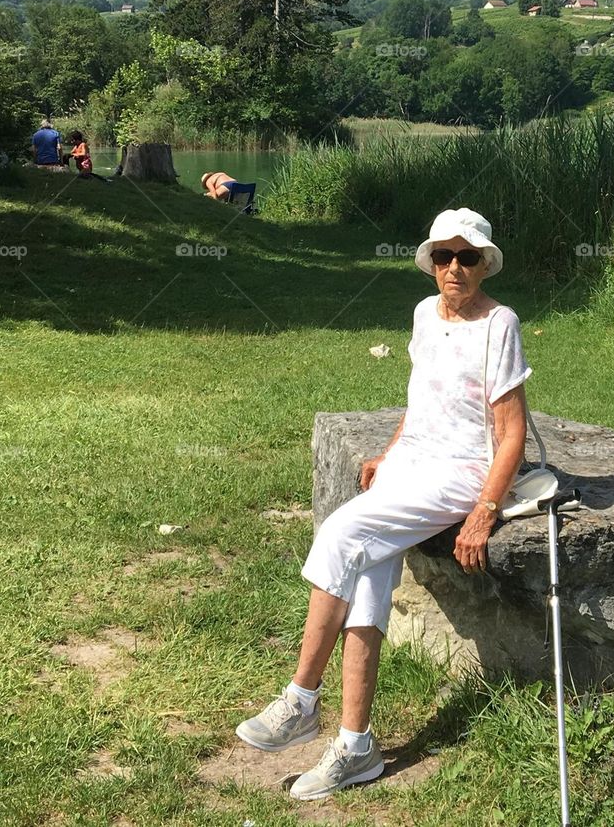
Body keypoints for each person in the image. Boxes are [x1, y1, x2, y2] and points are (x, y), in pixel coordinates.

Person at [236, 207, 532, 801]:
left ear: (484, 265)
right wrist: (391, 450)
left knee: (343, 534)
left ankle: (300, 698)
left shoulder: (499, 323)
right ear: (430, 264)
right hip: (414, 462)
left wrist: (484, 511)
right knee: (368, 572)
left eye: (467, 257)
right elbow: (423, 396)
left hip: (459, 473)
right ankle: (356, 744)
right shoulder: (425, 313)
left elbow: (512, 433)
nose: (455, 268)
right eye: (444, 257)